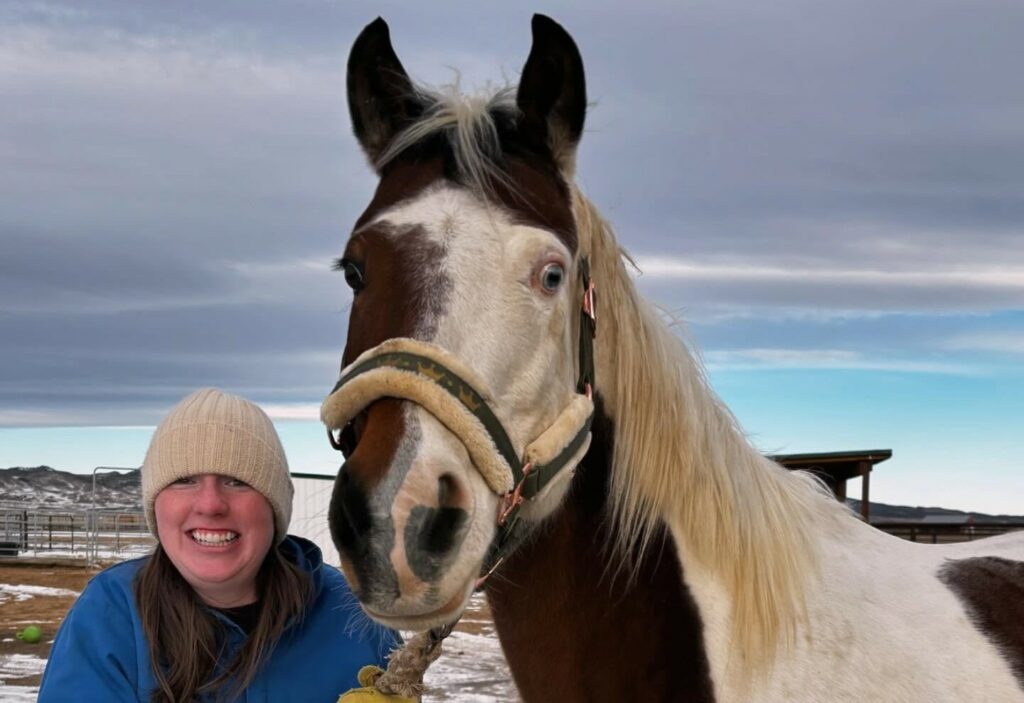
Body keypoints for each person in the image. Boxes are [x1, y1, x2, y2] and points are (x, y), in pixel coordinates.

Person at [39, 388, 398, 703]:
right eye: (184, 480)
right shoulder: (109, 617)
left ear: (275, 508)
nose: (210, 504)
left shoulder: (354, 618)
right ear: (155, 506)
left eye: (236, 481)